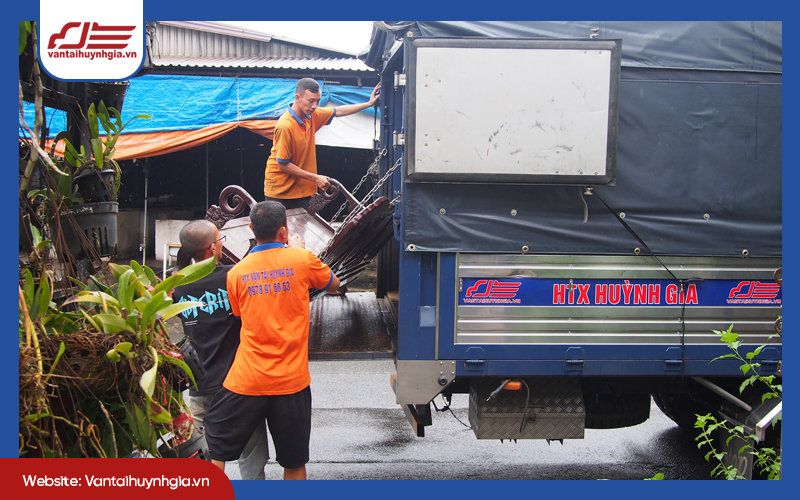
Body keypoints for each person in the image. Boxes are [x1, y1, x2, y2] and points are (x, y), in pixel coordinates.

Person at [204, 201, 340, 480]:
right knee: (293, 462)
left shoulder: (236, 273)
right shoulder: (302, 260)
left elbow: (240, 313)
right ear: (284, 231)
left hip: (247, 380)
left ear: (252, 229)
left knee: (217, 448)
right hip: (291, 382)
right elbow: (334, 284)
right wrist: (300, 251)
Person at [172, 220, 269, 480]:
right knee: (251, 455)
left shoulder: (177, 286)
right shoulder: (233, 276)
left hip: (199, 386)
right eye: (220, 241)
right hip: (238, 383)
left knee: (208, 454)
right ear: (212, 248)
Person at [263, 77, 381, 210]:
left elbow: (338, 111)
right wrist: (315, 178)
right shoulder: (286, 126)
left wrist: (368, 104)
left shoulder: (312, 115)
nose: (314, 106)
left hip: (303, 190)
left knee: (308, 229)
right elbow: (283, 165)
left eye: (318, 101)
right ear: (297, 98)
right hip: (280, 192)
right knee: (280, 230)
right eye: (311, 101)